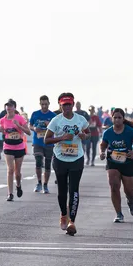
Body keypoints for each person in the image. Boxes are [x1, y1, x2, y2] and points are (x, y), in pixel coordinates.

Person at [45, 93, 90, 236]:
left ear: (73, 104)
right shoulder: (56, 121)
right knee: (62, 191)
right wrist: (62, 138)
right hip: (60, 159)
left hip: (77, 158)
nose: (67, 107)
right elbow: (47, 140)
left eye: (69, 104)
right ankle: (64, 214)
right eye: (64, 105)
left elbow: (88, 133)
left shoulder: (80, 119)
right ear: (60, 105)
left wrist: (84, 136)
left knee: (74, 190)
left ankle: (72, 221)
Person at [100, 108, 133, 223]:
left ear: (123, 119)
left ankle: (130, 201)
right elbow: (103, 144)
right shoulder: (108, 132)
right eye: (115, 117)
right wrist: (102, 152)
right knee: (114, 187)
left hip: (128, 162)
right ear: (112, 118)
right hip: (113, 162)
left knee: (130, 191)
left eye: (120, 117)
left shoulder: (129, 131)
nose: (117, 120)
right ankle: (119, 214)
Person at [0, 99, 30, 201]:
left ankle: (19, 185)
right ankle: (10, 193)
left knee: (17, 173)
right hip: (8, 146)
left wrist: (19, 126)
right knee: (10, 170)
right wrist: (2, 130)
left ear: (14, 108)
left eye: (11, 106)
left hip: (19, 146)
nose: (8, 107)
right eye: (7, 106)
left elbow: (28, 132)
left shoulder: (19, 118)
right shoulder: (3, 120)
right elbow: (3, 130)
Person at [29, 96, 56, 194]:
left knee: (48, 165)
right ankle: (39, 182)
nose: (44, 106)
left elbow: (57, 128)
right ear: (40, 104)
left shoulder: (53, 115)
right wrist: (34, 129)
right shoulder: (35, 114)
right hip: (38, 141)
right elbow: (30, 125)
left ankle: (45, 185)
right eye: (42, 104)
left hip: (49, 142)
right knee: (38, 161)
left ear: (49, 103)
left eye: (46, 104)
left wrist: (49, 125)